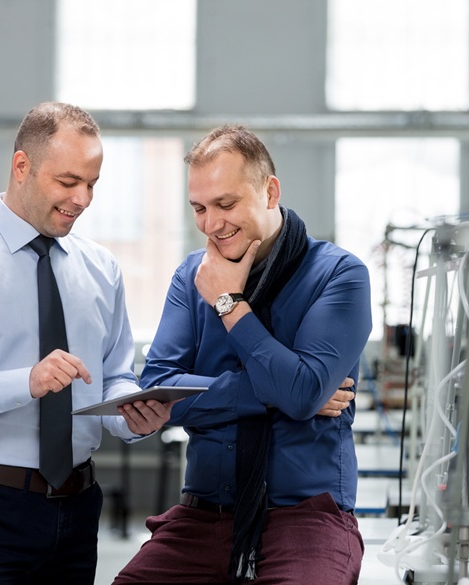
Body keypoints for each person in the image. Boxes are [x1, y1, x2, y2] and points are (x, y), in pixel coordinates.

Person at [0, 101, 174, 585]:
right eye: (68, 182)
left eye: (92, 184)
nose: (83, 199)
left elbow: (116, 375)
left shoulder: (101, 270)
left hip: (79, 505)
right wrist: (24, 382)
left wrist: (133, 417)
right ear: (21, 166)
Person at [113, 125, 373, 584]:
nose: (212, 223)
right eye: (199, 208)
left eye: (226, 204)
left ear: (270, 192)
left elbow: (300, 392)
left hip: (307, 519)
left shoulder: (339, 275)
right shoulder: (190, 276)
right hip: (203, 517)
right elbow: (160, 391)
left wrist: (231, 305)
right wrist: (279, 391)